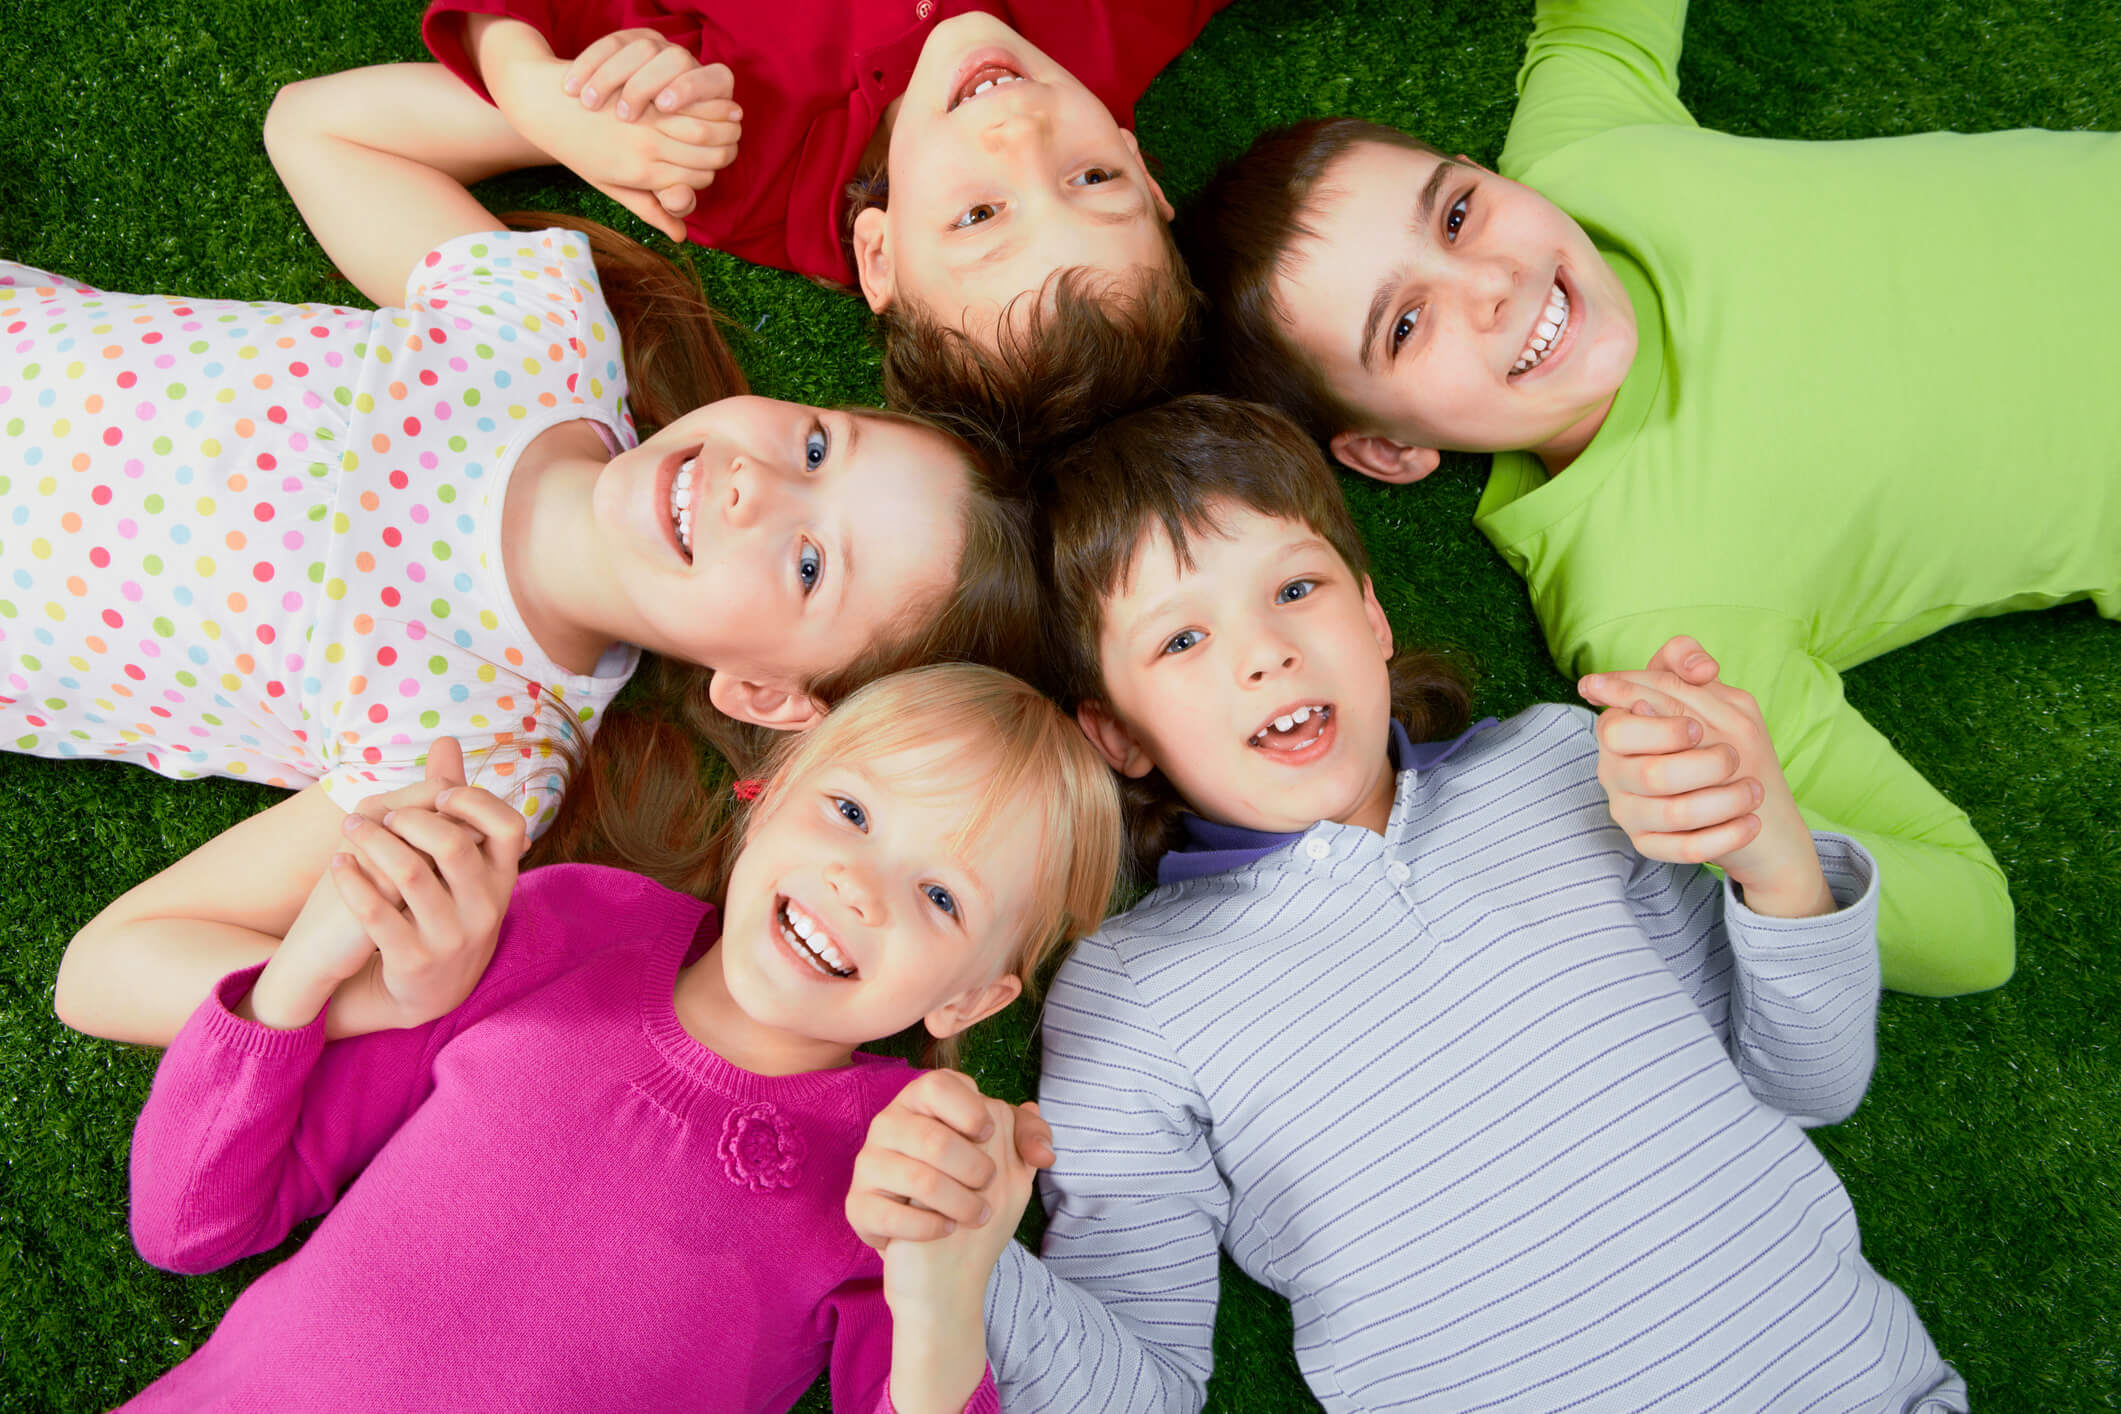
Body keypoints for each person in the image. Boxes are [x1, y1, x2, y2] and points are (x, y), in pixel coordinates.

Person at [845, 397, 1967, 1413]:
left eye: (1295, 588)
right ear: (1120, 736)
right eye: (1182, 640)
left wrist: (1769, 853)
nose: (1267, 654)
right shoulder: (1129, 996)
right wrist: (972, 1261)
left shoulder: (1569, 768)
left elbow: (1806, 1082)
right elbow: (1146, 1389)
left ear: (1372, 616)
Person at [15, 62, 1043, 1046]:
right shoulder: (547, 338)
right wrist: (560, 118)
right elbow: (314, 128)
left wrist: (402, 994)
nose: (756, 484)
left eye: (811, 564)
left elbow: (107, 969)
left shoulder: (479, 756)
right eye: (818, 445)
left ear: (769, 694)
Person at [1177, 0, 2121, 996]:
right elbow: (1975, 928)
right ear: (1391, 449)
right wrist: (1758, 831)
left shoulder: (1585, 159)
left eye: (1458, 213)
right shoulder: (1654, 611)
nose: (1490, 280)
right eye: (1407, 324)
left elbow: (1598, 27)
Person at [109, 663, 1120, 1412]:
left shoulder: (898, 1186)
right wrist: (304, 974)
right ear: (765, 799)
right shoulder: (564, 926)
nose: (860, 883)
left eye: (940, 895)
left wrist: (943, 1295)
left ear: (969, 1001)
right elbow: (188, 1221)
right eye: (849, 809)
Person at [414, 2, 1221, 453]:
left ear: (880, 253)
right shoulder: (1118, 22)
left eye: (979, 215)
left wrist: (526, 85)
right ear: (1141, 169)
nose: (1020, 135)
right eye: (1092, 179)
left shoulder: (728, 149)